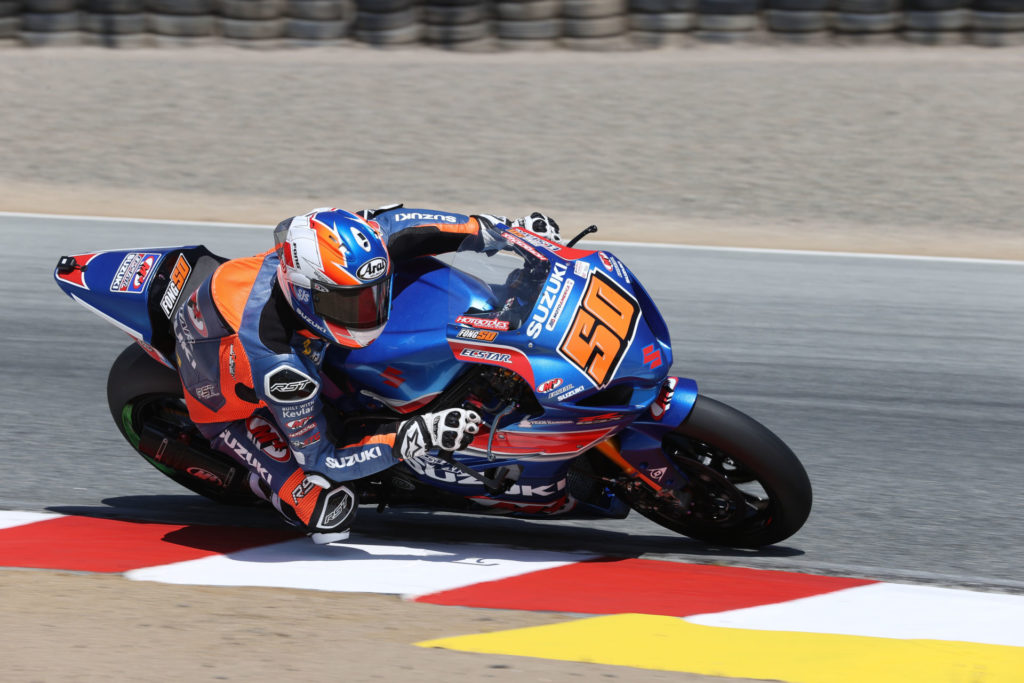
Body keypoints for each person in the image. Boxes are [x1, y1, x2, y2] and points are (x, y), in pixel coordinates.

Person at [172, 205, 561, 543]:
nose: (368, 310)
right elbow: (321, 457)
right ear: (308, 294)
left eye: (374, 292)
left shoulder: (349, 246)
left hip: (252, 299)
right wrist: (415, 435)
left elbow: (411, 225)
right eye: (351, 302)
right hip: (222, 397)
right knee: (321, 503)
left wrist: (505, 231)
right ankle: (277, 490)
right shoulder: (279, 365)